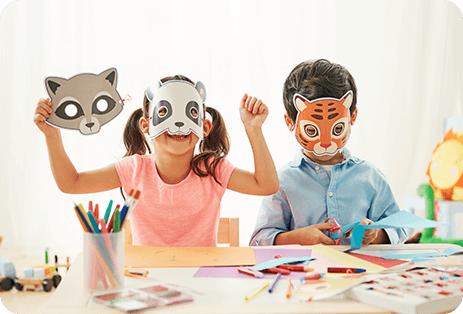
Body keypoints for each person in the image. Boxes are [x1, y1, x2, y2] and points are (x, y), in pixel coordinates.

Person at [34, 74, 278, 247]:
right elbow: (71, 183)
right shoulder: (134, 169)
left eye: (191, 113)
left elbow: (266, 185)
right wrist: (52, 135)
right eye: (164, 112)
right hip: (147, 278)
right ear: (145, 125)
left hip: (201, 279)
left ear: (203, 127)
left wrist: (253, 129)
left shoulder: (213, 170)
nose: (179, 125)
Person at [249, 59, 407, 246]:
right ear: (290, 122)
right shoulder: (280, 182)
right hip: (305, 273)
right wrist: (297, 238)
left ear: (352, 117)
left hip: (359, 273)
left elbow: (399, 230)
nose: (325, 143)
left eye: (337, 128)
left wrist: (376, 234)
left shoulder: (371, 177)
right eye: (312, 130)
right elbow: (259, 241)